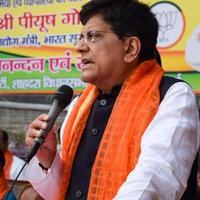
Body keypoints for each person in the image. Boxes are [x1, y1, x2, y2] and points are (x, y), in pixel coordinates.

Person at [25, 0, 200, 199]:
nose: (80, 46)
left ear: (130, 48)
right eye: (80, 37)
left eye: (92, 36)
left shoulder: (171, 96)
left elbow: (155, 179)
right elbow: (65, 192)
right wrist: (49, 160)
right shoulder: (79, 106)